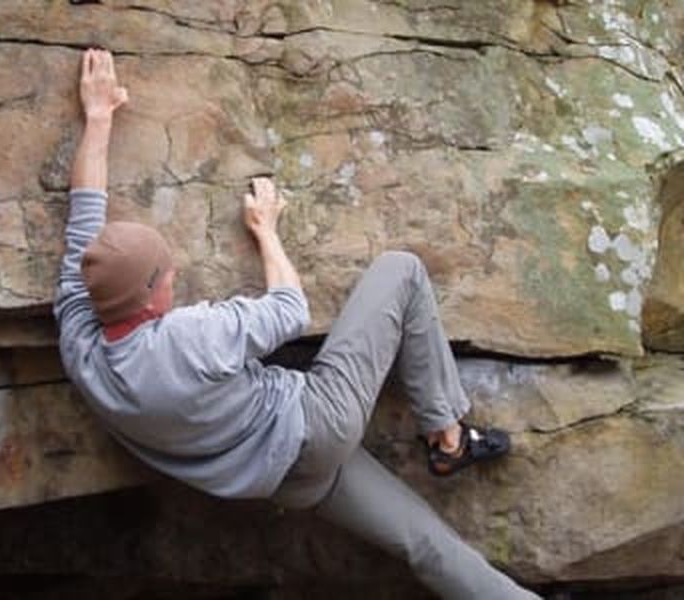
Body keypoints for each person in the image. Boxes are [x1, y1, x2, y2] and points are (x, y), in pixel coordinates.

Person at [55, 48, 541, 600]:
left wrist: (98, 117)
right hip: (315, 425)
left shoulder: (80, 339)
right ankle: (447, 433)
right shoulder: (189, 339)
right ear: (148, 301)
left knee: (423, 544)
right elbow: (290, 309)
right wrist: (267, 232)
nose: (176, 273)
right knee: (401, 270)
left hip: (286, 481)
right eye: (167, 274)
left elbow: (84, 211)